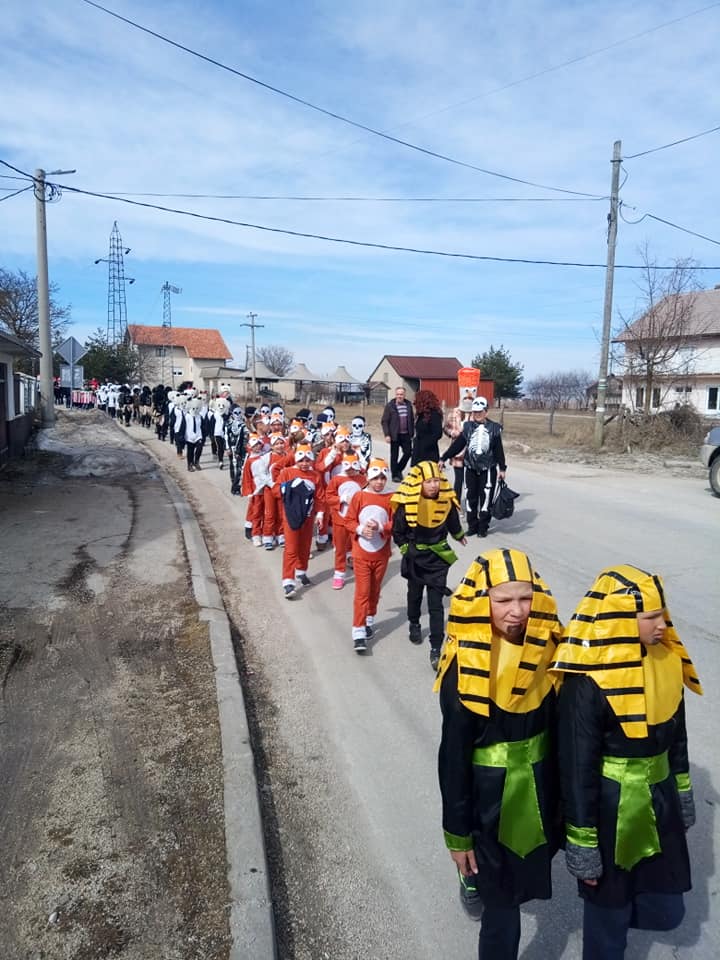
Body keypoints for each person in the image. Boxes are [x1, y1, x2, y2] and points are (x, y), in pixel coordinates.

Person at [549, 565, 703, 960]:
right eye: (650, 616)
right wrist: (582, 840)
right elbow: (576, 766)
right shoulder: (586, 682)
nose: (662, 626)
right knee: (608, 915)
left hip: (660, 797)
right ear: (618, 618)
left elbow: (678, 740)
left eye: (662, 614)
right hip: (609, 809)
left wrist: (681, 793)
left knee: (659, 900)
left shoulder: (667, 660)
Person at [435, 548, 564, 959]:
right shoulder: (466, 665)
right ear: (481, 602)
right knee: (501, 905)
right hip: (488, 800)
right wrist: (458, 835)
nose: (517, 611)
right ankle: (473, 878)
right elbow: (453, 758)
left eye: (525, 598)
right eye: (503, 600)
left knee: (523, 878)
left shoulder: (548, 649)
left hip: (540, 789)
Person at [391, 461, 466, 670]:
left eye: (436, 481)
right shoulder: (407, 505)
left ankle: (435, 647)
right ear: (419, 484)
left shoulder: (445, 501)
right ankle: (414, 623)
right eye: (429, 481)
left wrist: (459, 535)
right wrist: (407, 551)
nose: (433, 485)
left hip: (437, 560)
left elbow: (452, 522)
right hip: (415, 558)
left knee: (436, 604)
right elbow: (398, 532)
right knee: (414, 596)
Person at [344, 458, 394, 653]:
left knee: (374, 590)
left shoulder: (392, 498)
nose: (379, 482)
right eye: (375, 478)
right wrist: (360, 529)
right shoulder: (359, 496)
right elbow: (348, 520)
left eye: (383, 478)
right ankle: (358, 632)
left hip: (381, 554)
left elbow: (397, 524)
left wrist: (381, 527)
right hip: (361, 554)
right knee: (362, 592)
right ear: (368, 478)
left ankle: (369, 619)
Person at [439, 396, 506, 539]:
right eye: (475, 412)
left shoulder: (494, 428)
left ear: (486, 412)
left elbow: (499, 450)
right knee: (471, 497)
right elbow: (458, 445)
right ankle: (472, 526)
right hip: (470, 467)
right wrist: (443, 457)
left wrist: (502, 468)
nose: (477, 414)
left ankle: (483, 527)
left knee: (486, 498)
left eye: (480, 412)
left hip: (488, 469)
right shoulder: (468, 427)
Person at [381, 385, 415, 482]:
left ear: (404, 395)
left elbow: (411, 420)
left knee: (408, 453)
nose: (399, 396)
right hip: (394, 435)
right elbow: (384, 421)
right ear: (395, 395)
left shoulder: (408, 405)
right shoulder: (390, 406)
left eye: (401, 394)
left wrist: (412, 432)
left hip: (406, 434)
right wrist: (387, 435)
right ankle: (395, 475)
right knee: (394, 456)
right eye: (398, 394)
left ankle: (398, 469)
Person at [443, 400, 472, 505]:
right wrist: (452, 432)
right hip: (457, 451)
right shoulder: (454, 414)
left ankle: (471, 505)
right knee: (459, 480)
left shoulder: (475, 414)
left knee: (470, 481)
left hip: (471, 452)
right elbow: (445, 428)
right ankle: (457, 503)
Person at [411, 389, 444, 465]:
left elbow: (438, 433)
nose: (415, 402)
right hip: (418, 451)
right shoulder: (421, 414)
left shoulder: (434, 414)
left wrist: (425, 445)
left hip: (429, 452)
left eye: (417, 400)